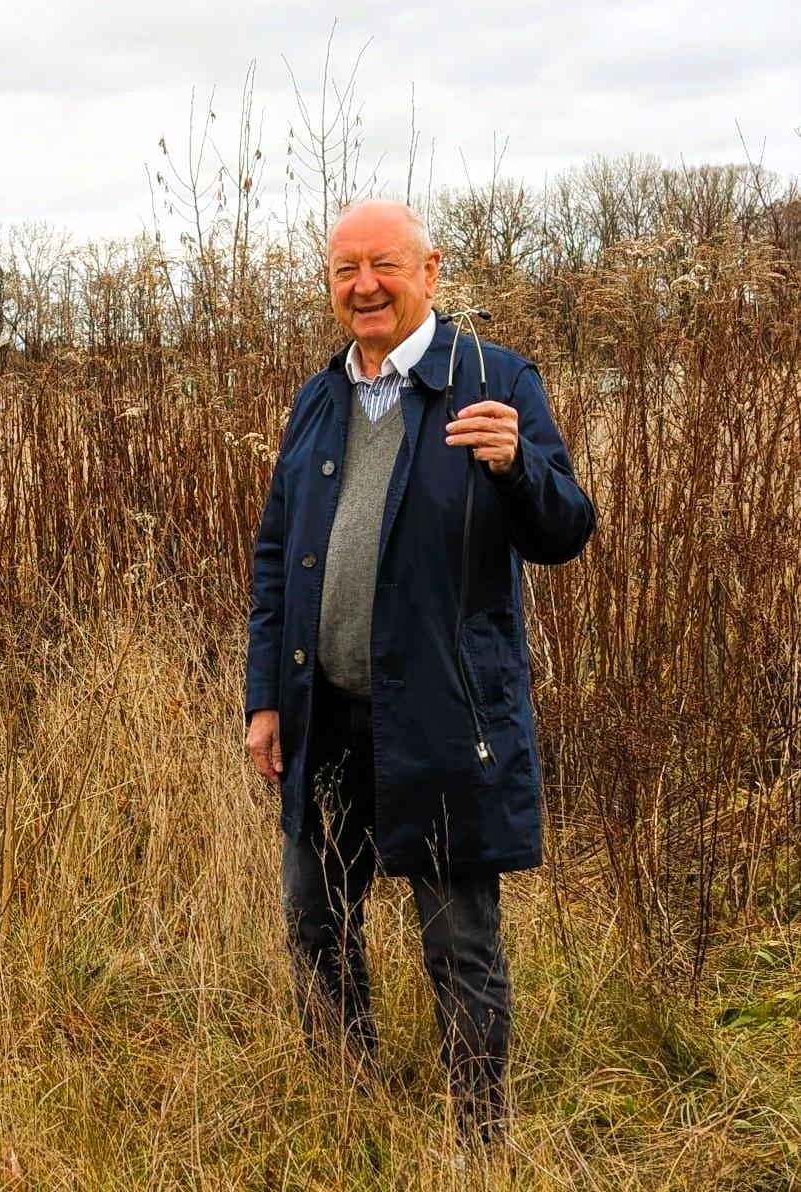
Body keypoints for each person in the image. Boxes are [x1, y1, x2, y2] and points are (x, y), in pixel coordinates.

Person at [242, 200, 594, 1141]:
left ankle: (478, 1139)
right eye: (344, 269)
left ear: (429, 270)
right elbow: (276, 559)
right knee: (317, 922)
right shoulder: (317, 399)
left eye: (383, 265)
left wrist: (518, 467)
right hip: (324, 714)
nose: (363, 286)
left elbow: (564, 532)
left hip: (443, 718)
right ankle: (349, 1112)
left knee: (457, 943)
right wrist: (265, 700)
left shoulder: (494, 379)